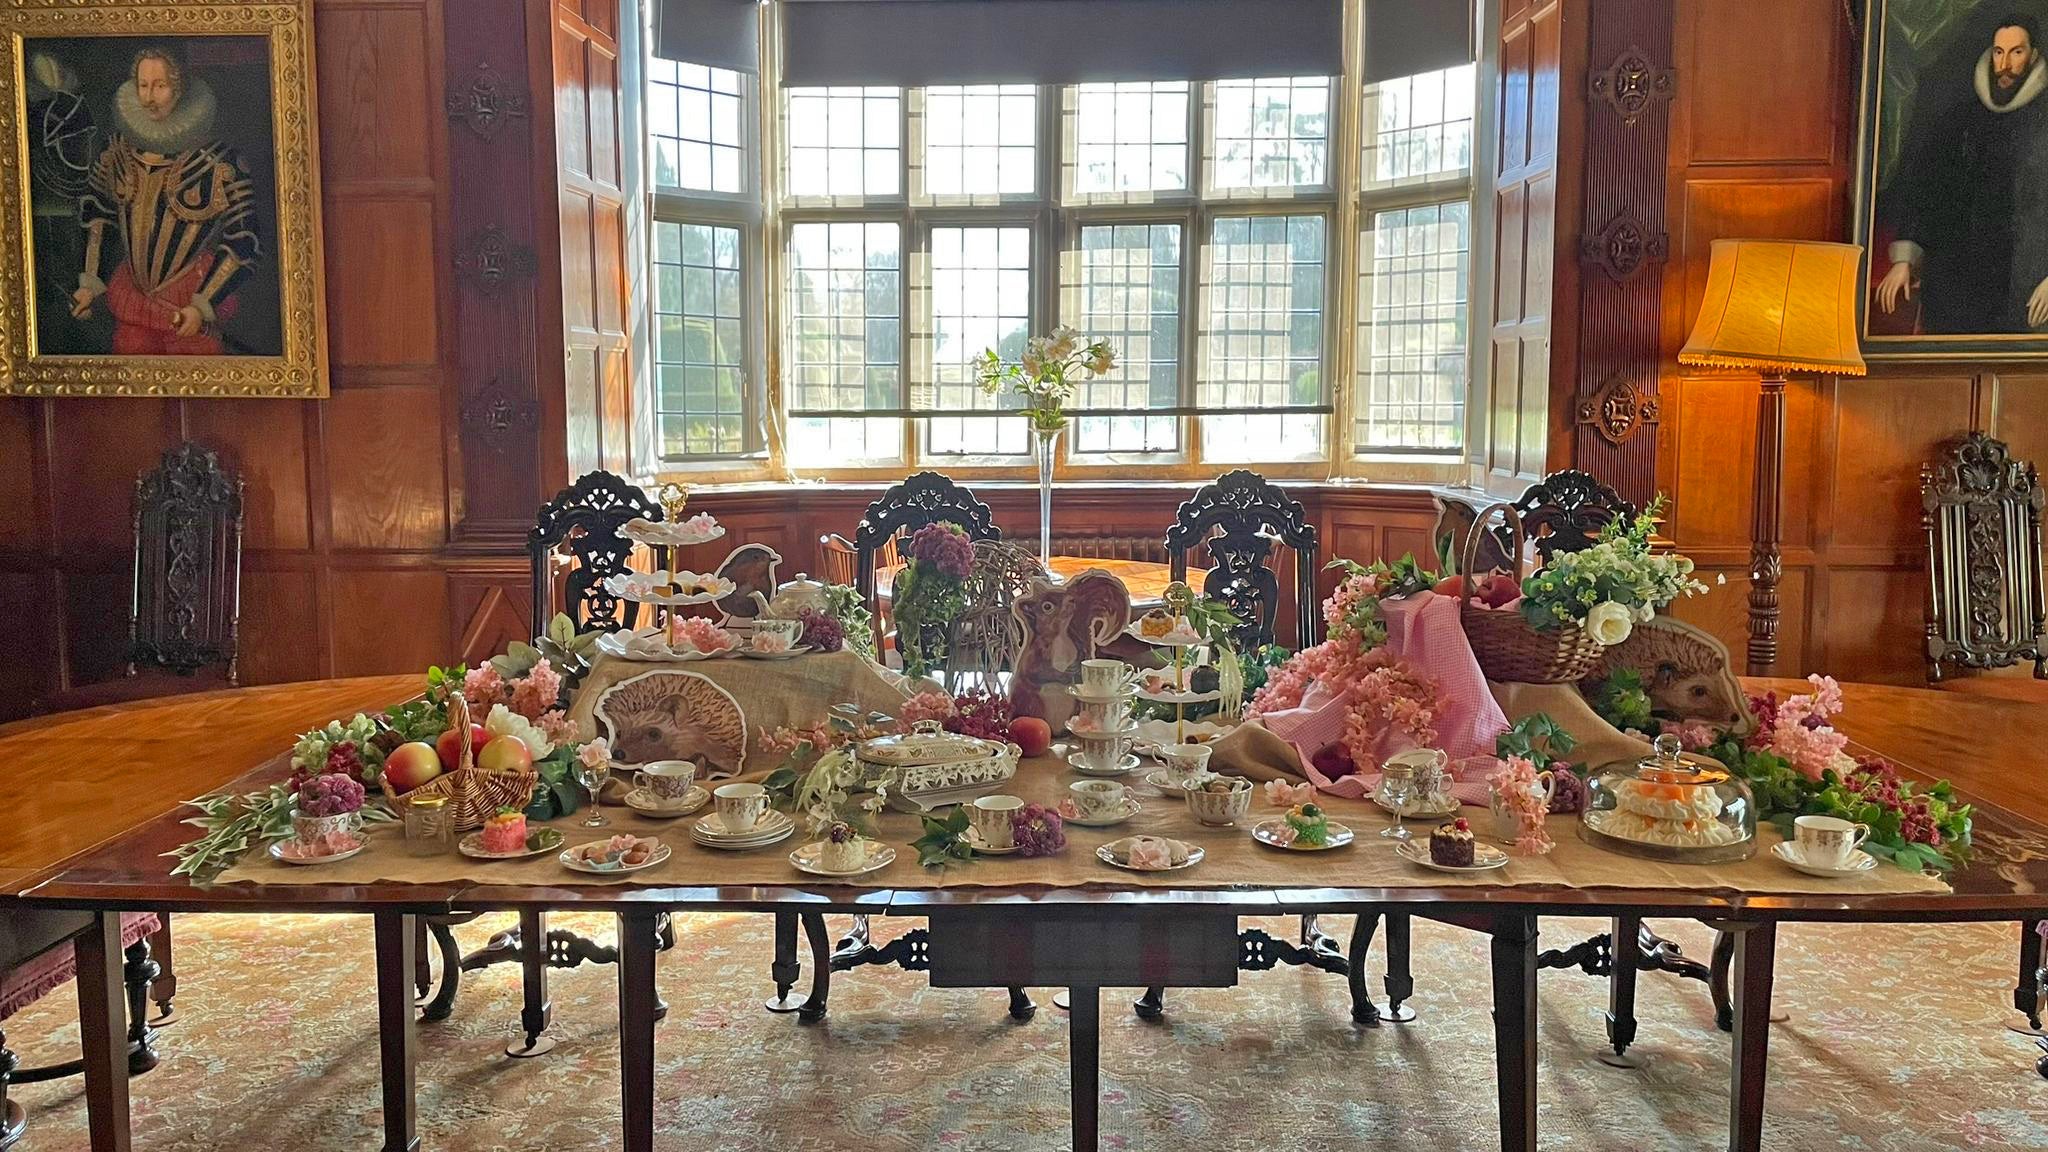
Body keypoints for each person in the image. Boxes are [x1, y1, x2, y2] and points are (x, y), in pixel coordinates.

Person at [69, 46, 261, 355]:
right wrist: (89, 286)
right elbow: (98, 215)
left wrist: (202, 305)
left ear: (180, 89)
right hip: (133, 298)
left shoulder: (220, 162)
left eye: (160, 86)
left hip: (191, 296)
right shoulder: (116, 151)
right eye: (143, 86)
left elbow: (243, 238)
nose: (148, 97)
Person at [1876, 13, 2048, 333]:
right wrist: (1904, 259)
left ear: (2034, 55)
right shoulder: (1959, 120)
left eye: (2017, 52)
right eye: (1999, 52)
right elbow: (1925, 189)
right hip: (1957, 284)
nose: (2005, 64)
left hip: (2026, 285)